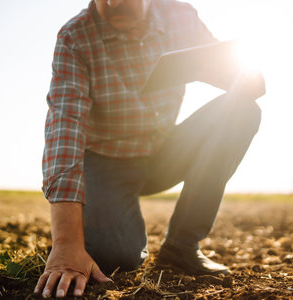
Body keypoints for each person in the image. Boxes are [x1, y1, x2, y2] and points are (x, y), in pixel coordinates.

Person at [34, 0, 265, 297]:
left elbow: (245, 79)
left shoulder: (180, 16)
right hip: (106, 164)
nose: (112, 3)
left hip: (163, 152)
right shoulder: (75, 38)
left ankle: (182, 246)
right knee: (117, 259)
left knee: (243, 111)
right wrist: (66, 243)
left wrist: (233, 76)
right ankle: (100, 227)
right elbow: (64, 129)